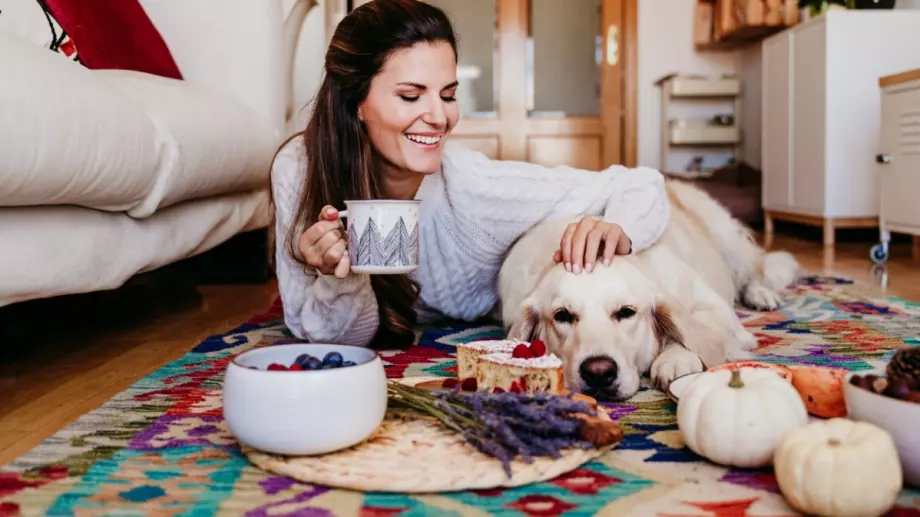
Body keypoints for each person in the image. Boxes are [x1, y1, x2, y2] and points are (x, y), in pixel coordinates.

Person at [271, 0, 670, 350]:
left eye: (447, 95)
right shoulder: (300, 168)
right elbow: (327, 336)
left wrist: (618, 227)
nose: (440, 116)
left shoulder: (476, 190)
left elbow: (639, 183)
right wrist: (339, 277)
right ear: (354, 101)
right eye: (411, 96)